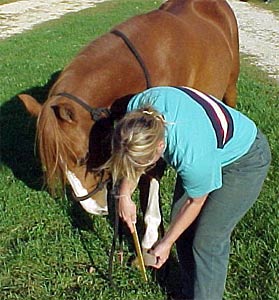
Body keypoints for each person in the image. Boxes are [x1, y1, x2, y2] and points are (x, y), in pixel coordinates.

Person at [103, 86, 271, 300]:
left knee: (207, 239)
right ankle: (190, 292)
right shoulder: (137, 111)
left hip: (244, 160)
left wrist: (166, 243)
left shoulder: (190, 155)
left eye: (144, 163)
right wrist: (124, 195)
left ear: (160, 147)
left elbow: (195, 201)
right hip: (208, 146)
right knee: (183, 229)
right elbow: (133, 159)